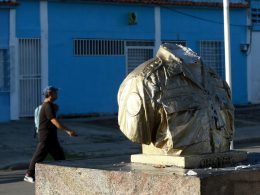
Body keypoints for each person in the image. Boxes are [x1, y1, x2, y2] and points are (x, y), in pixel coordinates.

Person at [24, 86, 77, 183]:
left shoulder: (50, 105)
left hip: (51, 136)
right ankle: (29, 174)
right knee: (38, 155)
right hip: (46, 136)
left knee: (60, 156)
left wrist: (55, 108)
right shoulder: (47, 105)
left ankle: (64, 176)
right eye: (55, 92)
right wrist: (67, 130)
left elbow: (55, 111)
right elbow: (54, 121)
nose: (57, 94)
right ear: (50, 93)